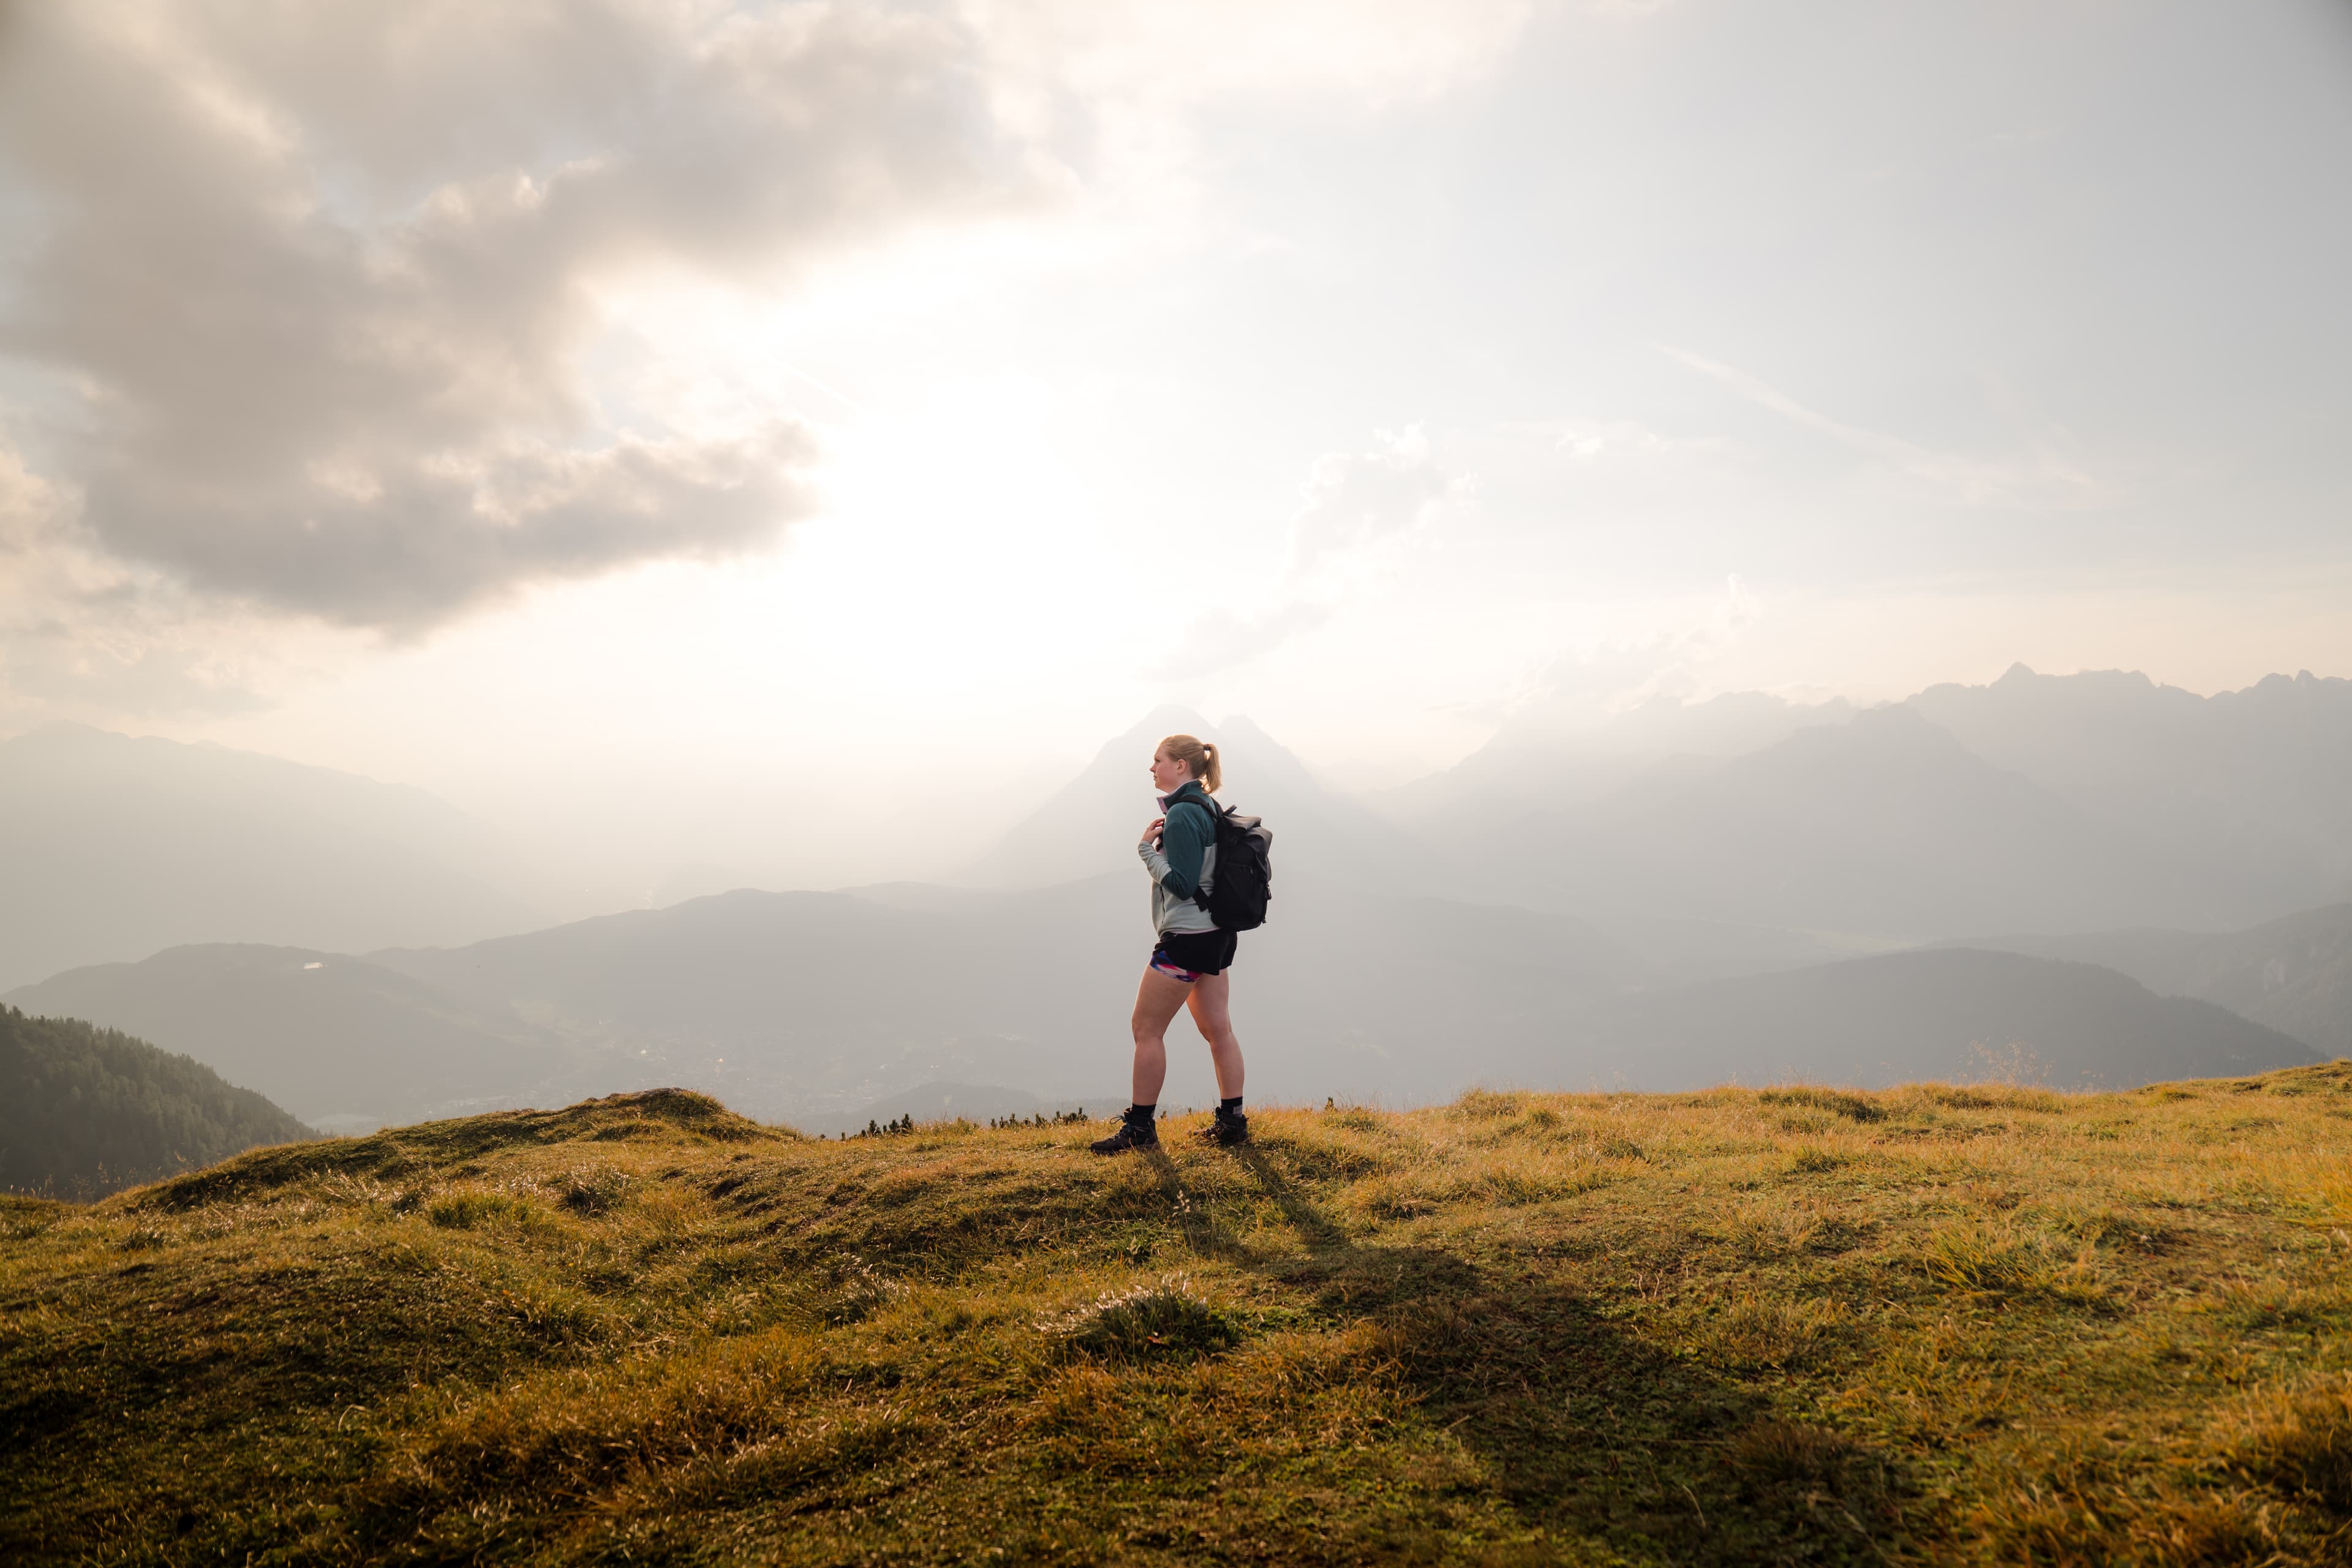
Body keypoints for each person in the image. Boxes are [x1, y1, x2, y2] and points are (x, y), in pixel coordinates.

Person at [1091, 733, 1250, 1153]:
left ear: (1181, 766)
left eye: (1158, 760)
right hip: (1215, 934)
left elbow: (1181, 883)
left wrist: (1146, 850)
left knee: (1146, 1029)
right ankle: (1233, 1121)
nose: (1152, 767)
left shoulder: (1182, 814)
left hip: (1186, 938)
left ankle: (1140, 1129)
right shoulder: (1208, 805)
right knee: (1219, 1029)